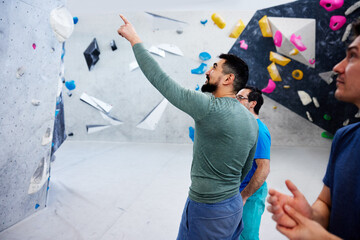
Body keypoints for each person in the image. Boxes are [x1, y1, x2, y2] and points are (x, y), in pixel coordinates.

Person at [117, 15, 259, 239]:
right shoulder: (253, 121)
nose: (208, 71)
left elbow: (160, 79)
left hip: (208, 209)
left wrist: (134, 38)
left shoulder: (209, 107)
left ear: (228, 79)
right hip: (232, 207)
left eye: (214, 67)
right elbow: (247, 167)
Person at [267, 19, 360, 239]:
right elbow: (326, 203)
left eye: (353, 56)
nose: (337, 68)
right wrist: (310, 216)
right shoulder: (345, 137)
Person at [236, 87, 271, 240]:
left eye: (240, 97)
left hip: (250, 194)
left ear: (252, 103)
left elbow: (264, 168)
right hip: (236, 191)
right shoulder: (243, 127)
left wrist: (245, 196)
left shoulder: (259, 131)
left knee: (247, 236)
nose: (235, 100)